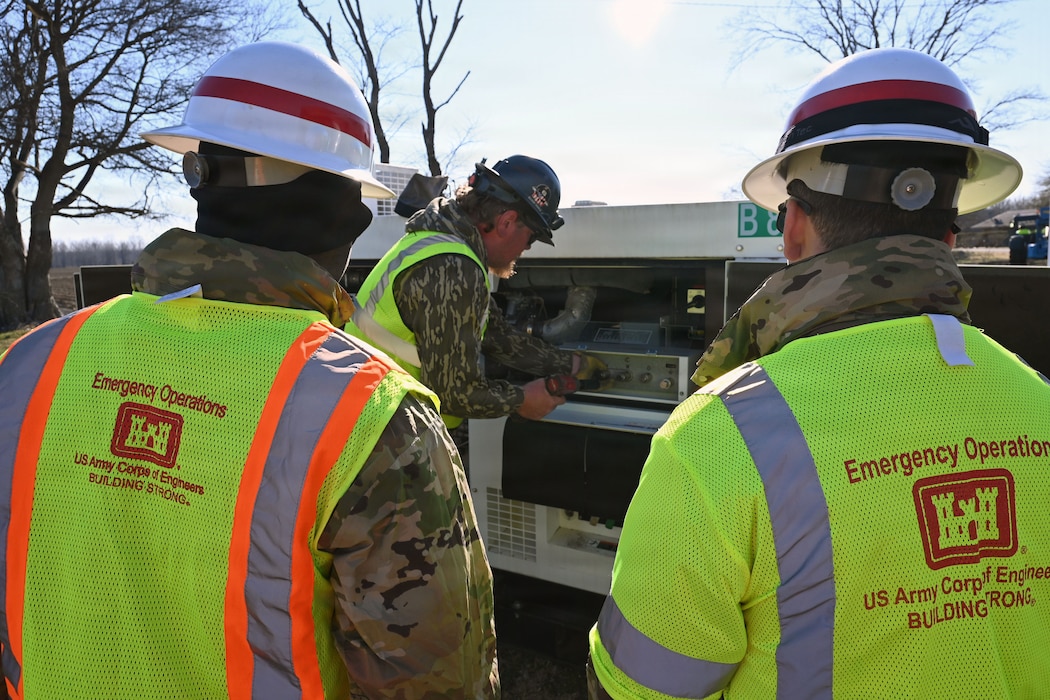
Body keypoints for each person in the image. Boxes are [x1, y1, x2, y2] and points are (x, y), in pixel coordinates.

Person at [0, 41, 498, 699]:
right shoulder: (370, 416)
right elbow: (438, 685)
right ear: (339, 212)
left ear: (200, 178)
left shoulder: (29, 364)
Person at [588, 47, 1050, 698]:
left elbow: (636, 690)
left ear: (795, 225)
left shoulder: (717, 441)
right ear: (948, 235)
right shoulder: (1039, 404)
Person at [345, 155, 608, 434]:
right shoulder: (452, 266)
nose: (527, 248)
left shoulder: (442, 242)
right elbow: (454, 394)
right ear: (507, 222)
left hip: (373, 412)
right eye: (531, 237)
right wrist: (521, 400)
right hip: (382, 430)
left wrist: (570, 364)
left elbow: (496, 335)